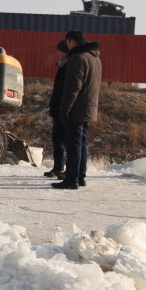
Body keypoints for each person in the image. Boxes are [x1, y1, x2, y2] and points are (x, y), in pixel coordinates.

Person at [52, 30, 102, 190]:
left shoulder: (77, 59)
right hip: (89, 108)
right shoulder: (95, 59)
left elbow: (73, 87)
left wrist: (65, 108)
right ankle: (80, 176)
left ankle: (71, 179)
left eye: (67, 43)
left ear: (72, 42)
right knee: (82, 144)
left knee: (73, 145)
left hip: (76, 109)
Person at [44, 39, 69, 179]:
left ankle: (67, 169)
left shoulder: (69, 66)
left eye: (60, 50)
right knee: (57, 139)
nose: (57, 53)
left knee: (66, 140)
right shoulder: (61, 65)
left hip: (64, 109)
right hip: (57, 108)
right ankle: (58, 167)